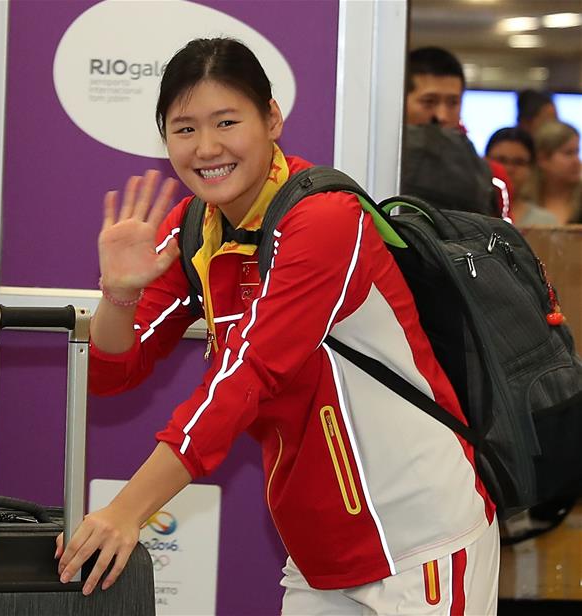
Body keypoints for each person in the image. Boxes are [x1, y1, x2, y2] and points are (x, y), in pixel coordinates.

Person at [56, 37, 499, 614]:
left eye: (227, 122)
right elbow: (113, 372)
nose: (206, 147)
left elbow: (246, 375)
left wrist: (126, 510)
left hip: (421, 538)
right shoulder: (196, 227)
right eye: (184, 128)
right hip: (319, 549)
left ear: (272, 118)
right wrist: (117, 295)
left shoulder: (325, 220)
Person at [402, 46, 508, 218]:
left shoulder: (489, 174)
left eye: (453, 103)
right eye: (429, 102)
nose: (442, 116)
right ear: (401, 100)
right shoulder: (377, 163)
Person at [485, 127, 558, 226]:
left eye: (519, 162)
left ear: (531, 168)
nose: (508, 169)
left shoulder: (545, 223)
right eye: (501, 160)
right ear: (484, 161)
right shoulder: (471, 214)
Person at [522, 120, 582, 225]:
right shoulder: (523, 199)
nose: (576, 161)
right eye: (568, 153)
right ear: (543, 159)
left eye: (577, 152)